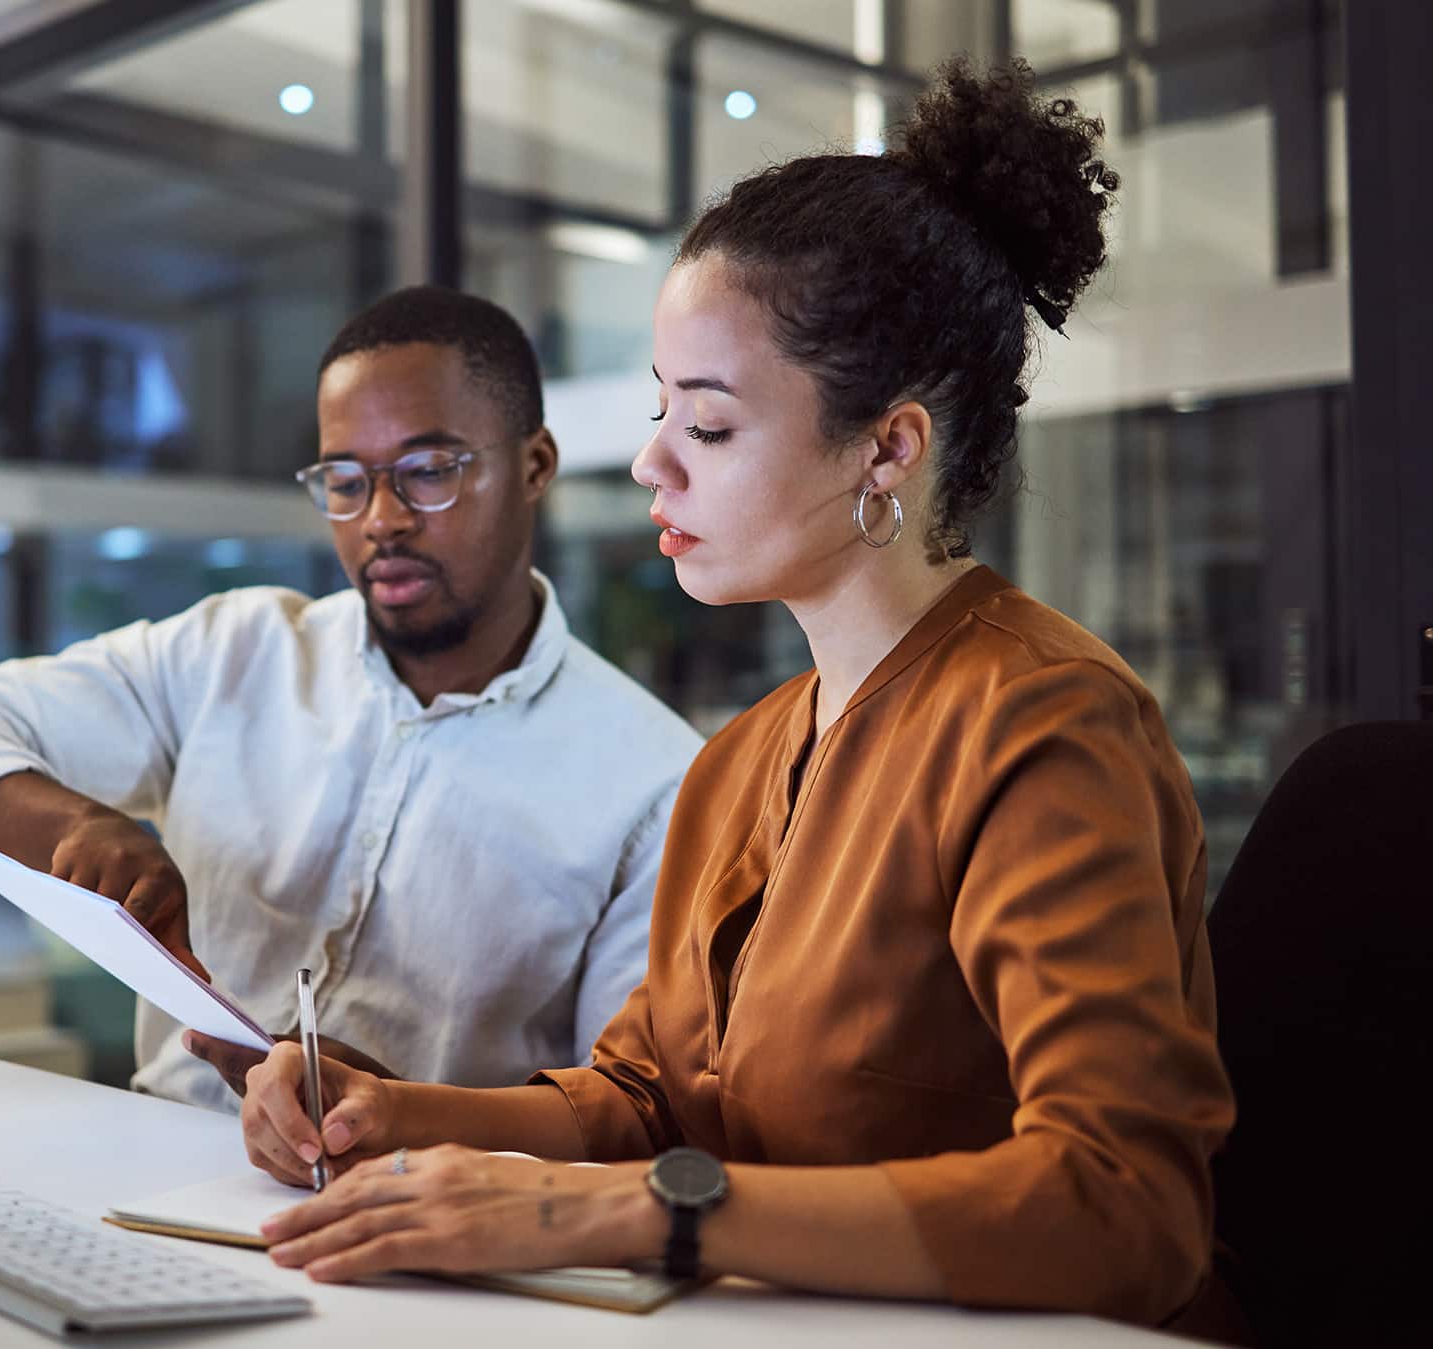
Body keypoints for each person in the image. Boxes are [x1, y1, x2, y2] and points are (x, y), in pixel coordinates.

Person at [234, 61, 1236, 1329]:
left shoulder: (1045, 725)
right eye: (662, 414)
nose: (652, 460)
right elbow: (651, 1096)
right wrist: (392, 1113)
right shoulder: (745, 755)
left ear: (888, 447)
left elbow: (1120, 1207)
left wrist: (627, 1210)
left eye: (705, 426)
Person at [0, 286, 703, 1112]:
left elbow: (627, 1112)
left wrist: (401, 1109)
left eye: (428, 471)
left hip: (428, 1211)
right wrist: (73, 828)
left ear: (534, 466)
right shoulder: (232, 653)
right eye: (345, 479)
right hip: (153, 1161)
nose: (382, 519)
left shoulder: (657, 782)